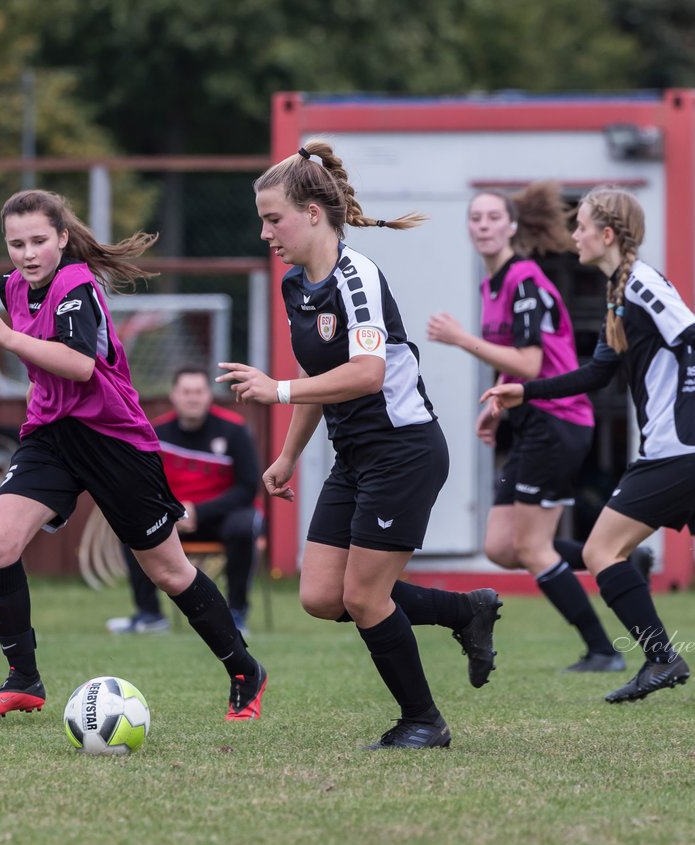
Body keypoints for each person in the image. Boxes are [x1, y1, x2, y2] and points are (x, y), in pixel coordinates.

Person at [483, 187, 695, 704]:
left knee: (601, 551)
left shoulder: (642, 284)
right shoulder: (619, 293)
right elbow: (598, 373)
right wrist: (524, 391)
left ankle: (661, 657)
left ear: (608, 235)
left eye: (582, 226)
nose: (574, 235)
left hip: (679, 450)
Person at [217, 140, 502, 749]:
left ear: (313, 213)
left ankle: (423, 721)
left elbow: (368, 373)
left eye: (274, 219)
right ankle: (464, 611)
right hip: (356, 459)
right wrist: (288, 455)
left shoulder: (358, 275)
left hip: (403, 451)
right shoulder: (298, 286)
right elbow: (324, 384)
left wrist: (278, 390)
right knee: (323, 596)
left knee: (364, 596)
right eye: (263, 220)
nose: (266, 233)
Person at [0, 189, 267, 720]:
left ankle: (244, 668)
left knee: (170, 572)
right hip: (52, 436)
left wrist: (8, 339)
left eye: (38, 240)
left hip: (114, 441)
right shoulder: (11, 287)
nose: (28, 253)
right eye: (16, 244)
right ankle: (24, 679)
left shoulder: (77, 284)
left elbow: (79, 366)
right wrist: (13, 339)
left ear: (61, 238)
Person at [425, 182, 625, 673]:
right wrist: (497, 399)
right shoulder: (491, 283)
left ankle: (602, 650)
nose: (484, 225)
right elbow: (515, 362)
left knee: (531, 546)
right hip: (532, 420)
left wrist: (460, 339)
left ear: (512, 227)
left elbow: (533, 363)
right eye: (476, 218)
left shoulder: (525, 280)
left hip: (559, 421)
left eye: (494, 217)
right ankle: (613, 560)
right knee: (500, 547)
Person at [107, 366, 262, 635]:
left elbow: (248, 488)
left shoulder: (234, 430)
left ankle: (236, 614)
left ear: (209, 396)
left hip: (220, 519)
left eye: (199, 392)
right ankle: (150, 615)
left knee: (243, 525)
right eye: (186, 392)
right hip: (173, 520)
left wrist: (198, 512)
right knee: (133, 522)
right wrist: (171, 513)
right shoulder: (155, 433)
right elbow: (141, 486)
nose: (193, 398)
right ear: (174, 396)